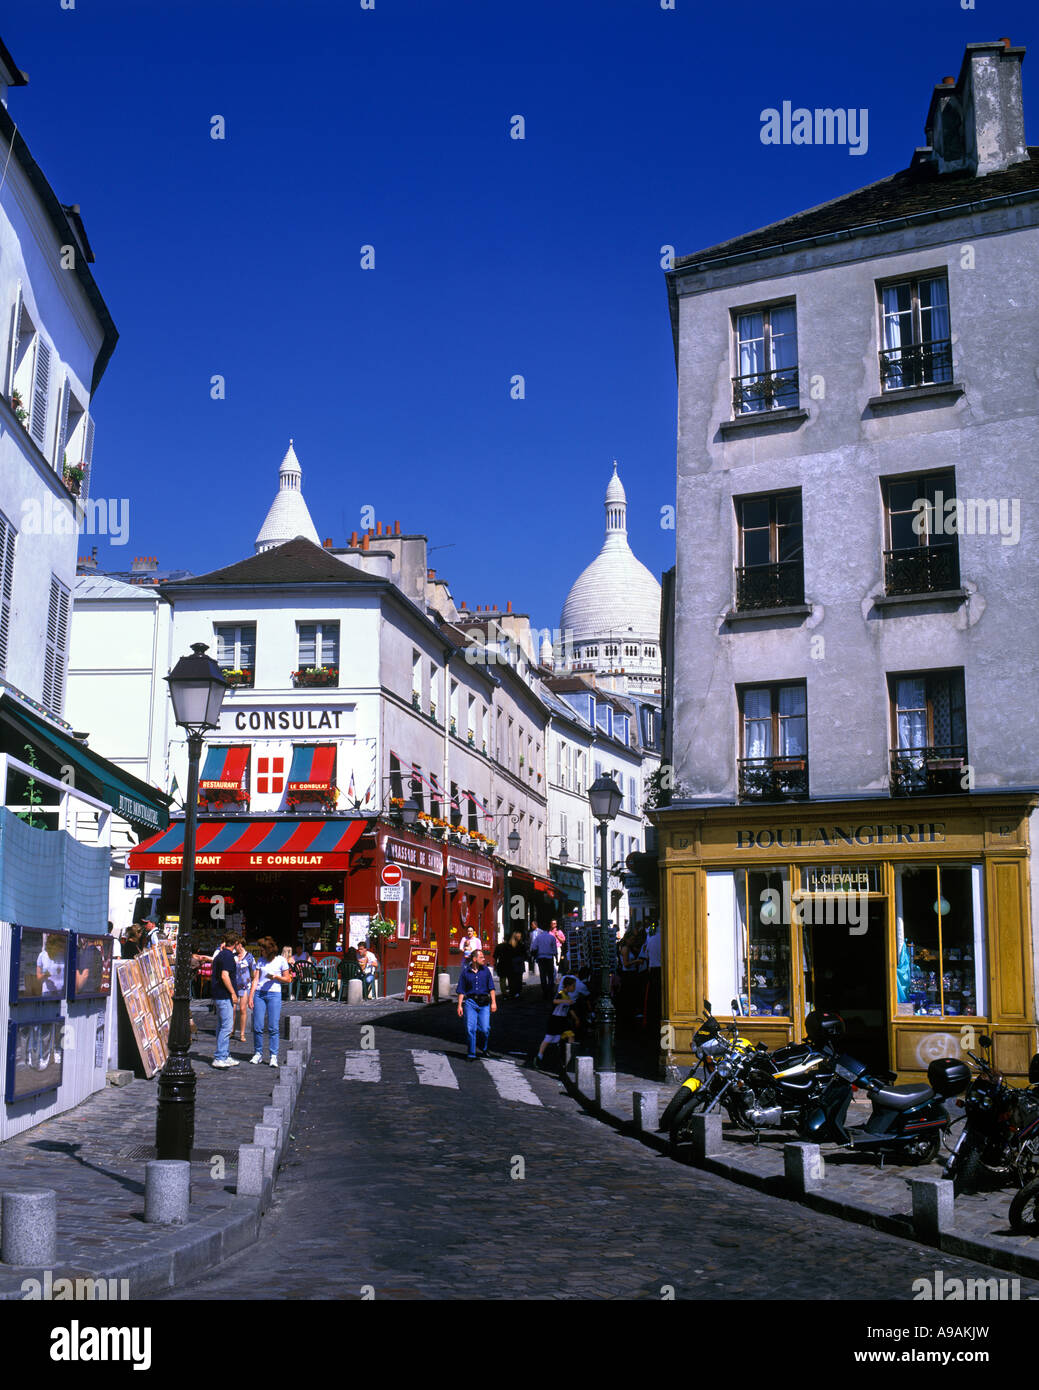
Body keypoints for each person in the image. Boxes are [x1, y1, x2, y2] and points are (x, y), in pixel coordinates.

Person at [250, 937, 292, 1067]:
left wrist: (276, 977)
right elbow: (256, 979)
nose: (261, 952)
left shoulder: (281, 960)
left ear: (269, 950)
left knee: (273, 1026)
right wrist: (251, 996)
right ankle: (258, 1053)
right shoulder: (261, 961)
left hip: (274, 994)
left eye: (262, 950)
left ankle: (273, 1055)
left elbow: (288, 979)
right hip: (260, 994)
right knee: (258, 1026)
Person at [456, 948, 496, 1060]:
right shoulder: (465, 972)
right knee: (470, 1029)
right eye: (481, 957)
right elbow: (461, 990)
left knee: (485, 1029)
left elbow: (491, 988)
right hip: (470, 1002)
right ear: (474, 959)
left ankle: (484, 1047)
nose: (484, 959)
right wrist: (459, 1005)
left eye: (483, 957)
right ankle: (471, 1053)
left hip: (484, 1003)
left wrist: (494, 1002)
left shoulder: (486, 971)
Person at [531, 978, 578, 1071]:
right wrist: (565, 1002)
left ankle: (569, 1058)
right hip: (555, 1020)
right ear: (568, 986)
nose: (574, 988)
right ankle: (539, 1056)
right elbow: (555, 1001)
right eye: (573, 986)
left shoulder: (568, 997)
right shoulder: (561, 994)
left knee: (570, 1035)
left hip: (563, 1020)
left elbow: (570, 1009)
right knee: (549, 1038)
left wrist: (576, 1018)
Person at [211, 934, 240, 1068]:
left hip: (218, 993)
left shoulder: (220, 955)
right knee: (227, 1026)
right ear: (236, 943)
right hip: (224, 994)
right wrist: (233, 993)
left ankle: (224, 1054)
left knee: (221, 1025)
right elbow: (224, 975)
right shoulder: (228, 956)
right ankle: (220, 1056)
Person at [233, 939, 256, 1044]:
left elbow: (254, 972)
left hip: (245, 986)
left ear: (240, 945)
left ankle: (242, 1033)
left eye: (236, 945)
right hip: (234, 986)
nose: (234, 947)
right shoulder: (233, 956)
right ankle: (231, 1030)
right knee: (232, 1009)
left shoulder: (249, 957)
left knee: (243, 1009)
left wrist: (253, 984)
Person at [530, 921, 559, 1001]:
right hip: (549, 958)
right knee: (550, 975)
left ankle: (545, 992)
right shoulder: (552, 937)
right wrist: (556, 959)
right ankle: (550, 990)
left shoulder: (538, 938)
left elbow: (533, 948)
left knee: (542, 975)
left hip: (541, 958)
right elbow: (555, 950)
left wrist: (535, 955)